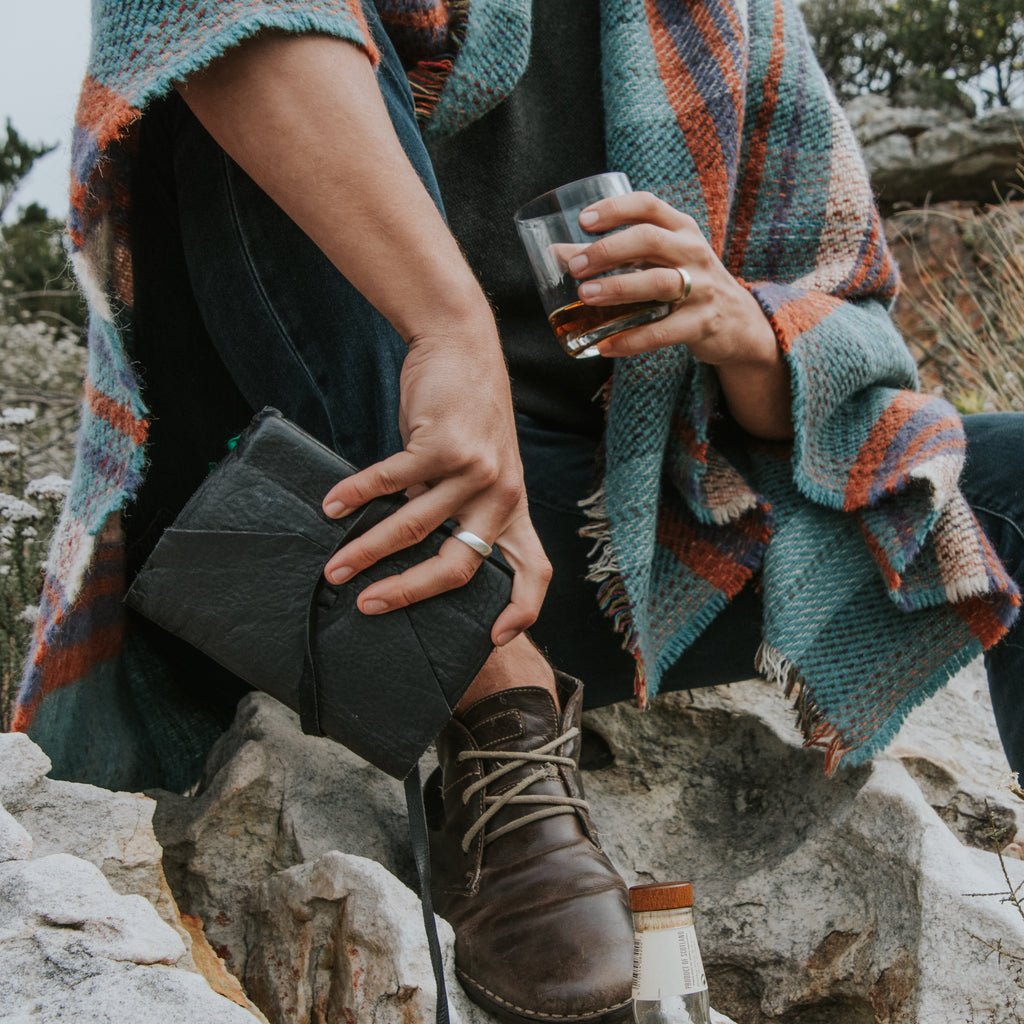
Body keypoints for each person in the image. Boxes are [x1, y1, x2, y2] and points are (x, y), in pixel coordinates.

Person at [12, 1, 1024, 1021]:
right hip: (302, 499)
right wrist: (448, 328)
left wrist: (742, 325)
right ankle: (498, 707)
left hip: (611, 530)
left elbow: (848, 347)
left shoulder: (729, 24)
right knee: (254, 34)